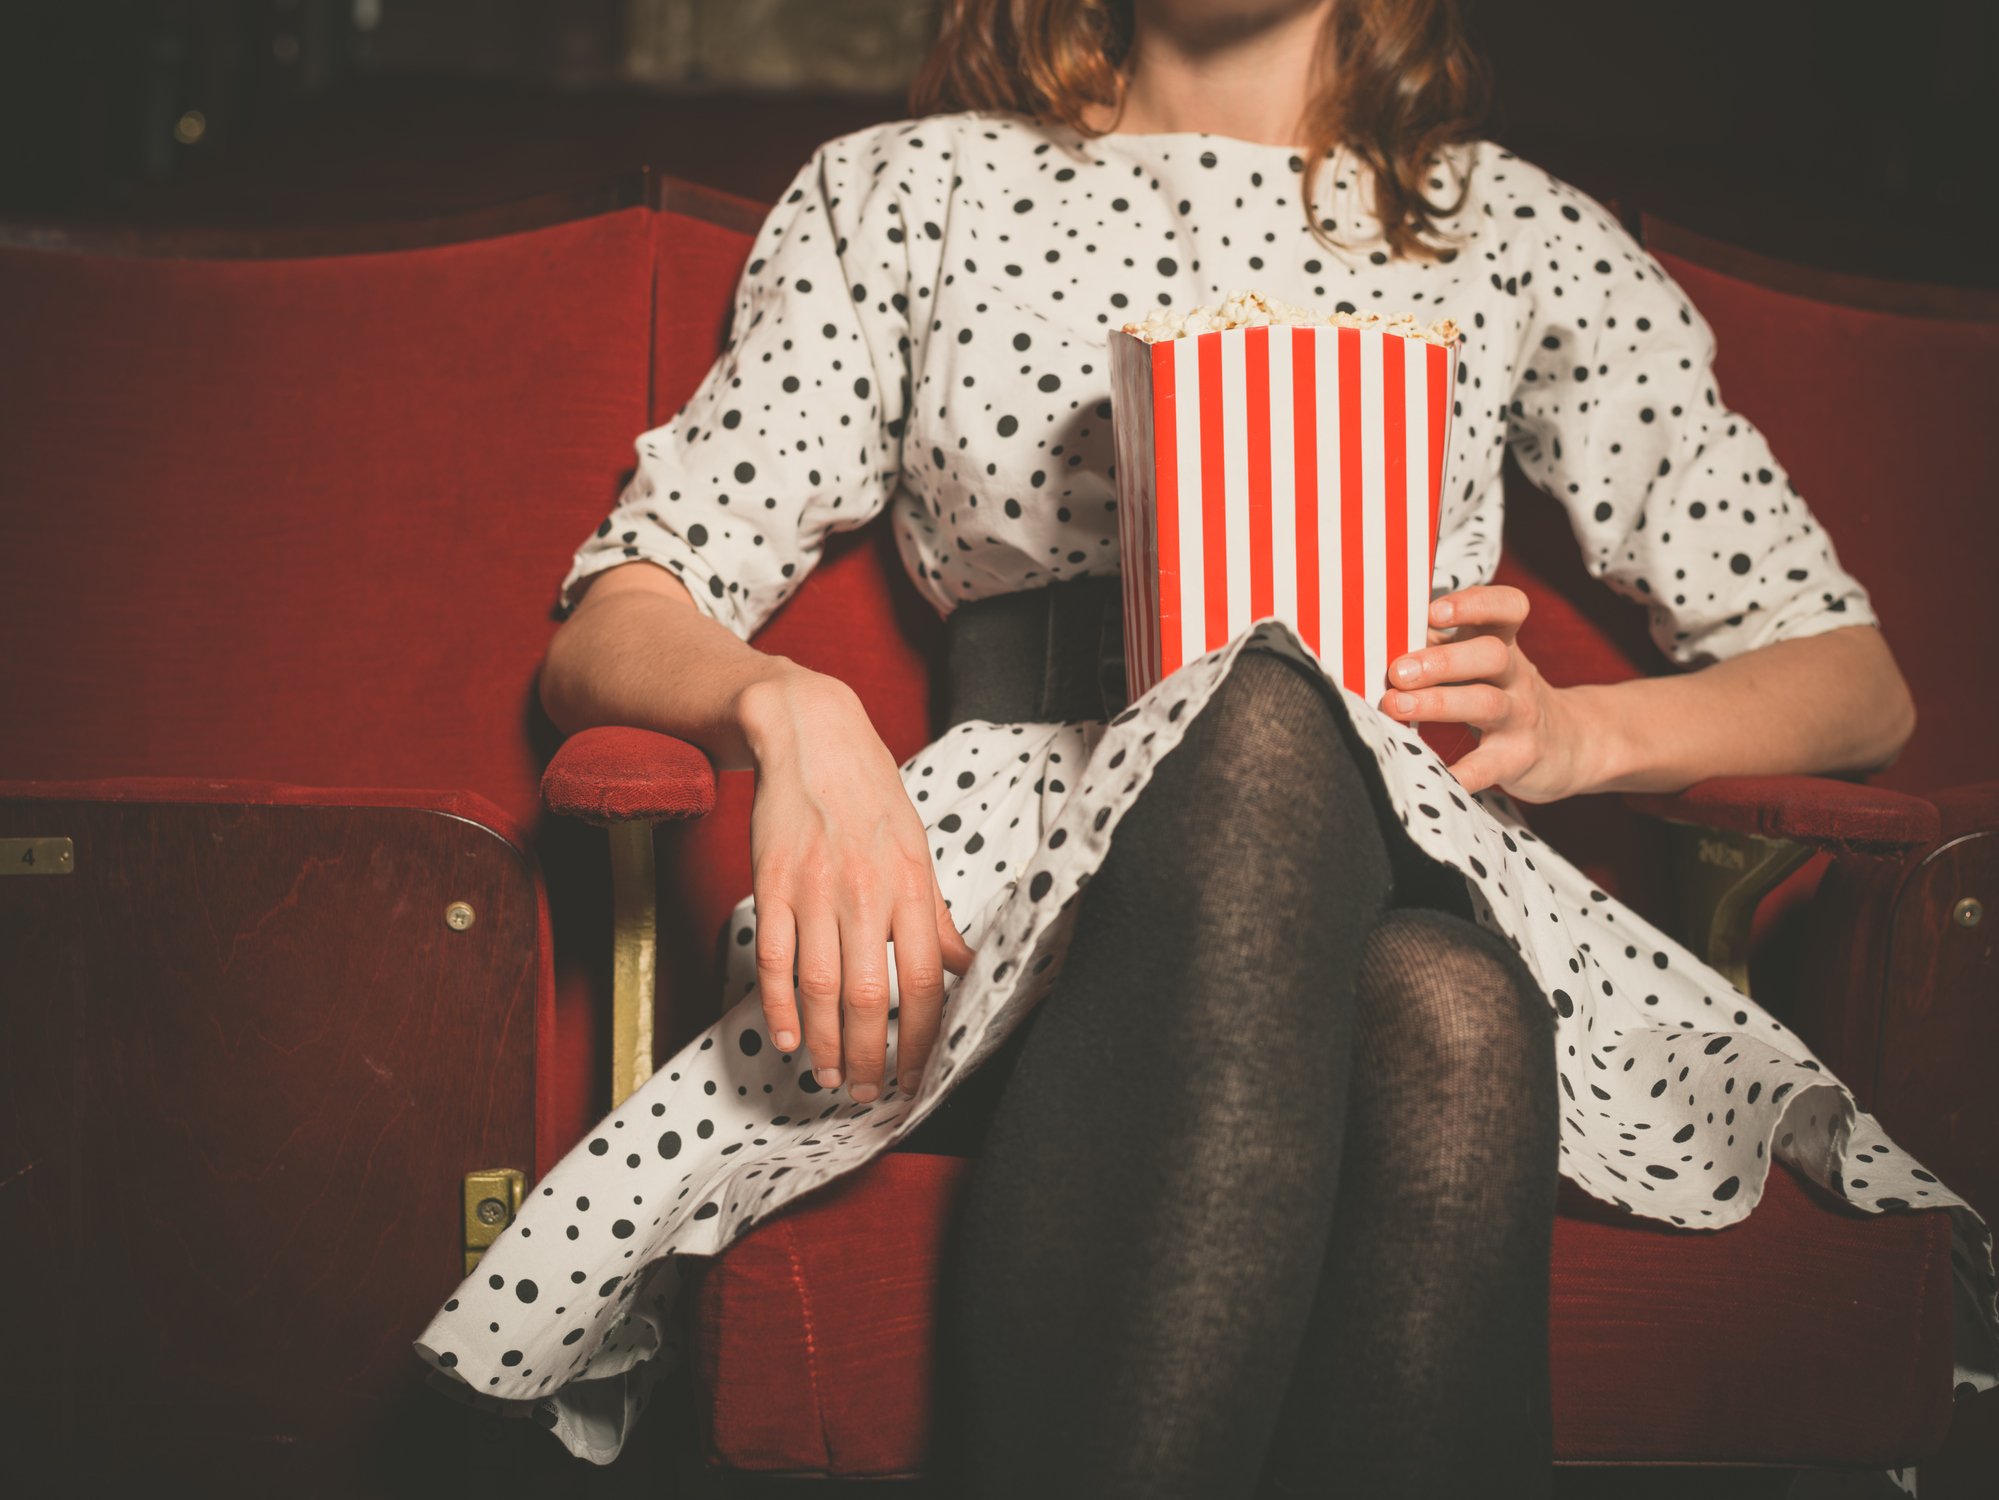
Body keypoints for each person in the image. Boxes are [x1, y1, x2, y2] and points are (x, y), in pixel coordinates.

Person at [412, 1, 1999, 1492]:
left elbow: (1855, 683)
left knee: (1423, 959)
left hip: (1406, 849)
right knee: (1431, 996)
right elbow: (617, 616)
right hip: (1025, 876)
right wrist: (793, 709)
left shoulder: (1515, 231)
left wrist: (1578, 731)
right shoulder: (907, 189)